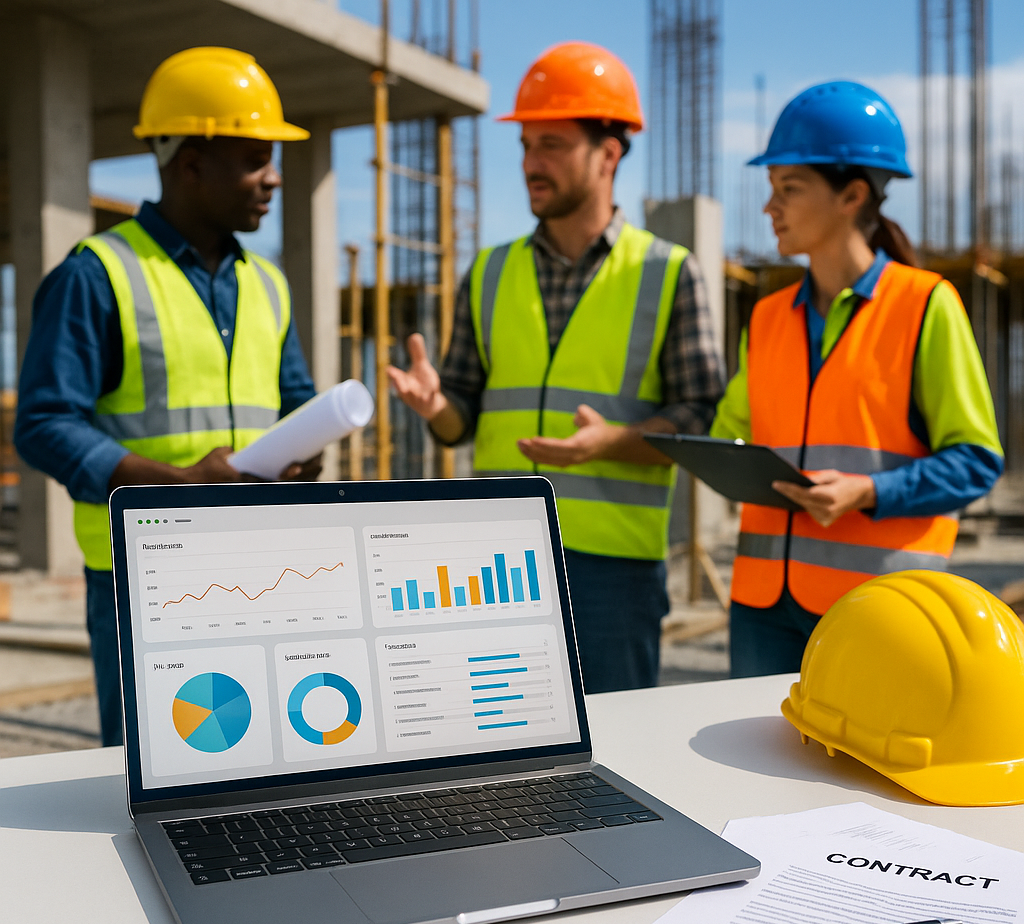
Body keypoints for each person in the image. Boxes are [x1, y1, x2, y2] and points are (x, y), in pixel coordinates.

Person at [388, 42, 724, 694]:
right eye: (525, 147)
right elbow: (461, 416)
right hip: (493, 560)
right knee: (493, 760)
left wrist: (614, 442)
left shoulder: (668, 273)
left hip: (613, 569)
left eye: (552, 146)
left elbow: (701, 417)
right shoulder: (488, 272)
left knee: (617, 757)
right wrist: (438, 407)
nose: (531, 165)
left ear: (609, 154)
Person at [15, 47, 322, 745]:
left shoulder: (268, 285)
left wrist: (305, 453)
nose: (273, 178)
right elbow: (43, 423)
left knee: (268, 764)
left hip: (264, 574)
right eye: (255, 157)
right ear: (191, 163)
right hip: (145, 579)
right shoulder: (98, 275)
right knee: (160, 778)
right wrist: (178, 484)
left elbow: (294, 404)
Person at [711, 80, 1002, 678]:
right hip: (762, 603)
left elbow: (976, 459)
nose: (771, 208)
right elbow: (730, 436)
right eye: (772, 189)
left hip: (878, 608)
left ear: (852, 195)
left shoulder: (926, 305)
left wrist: (867, 492)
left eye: (788, 189)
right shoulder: (767, 318)